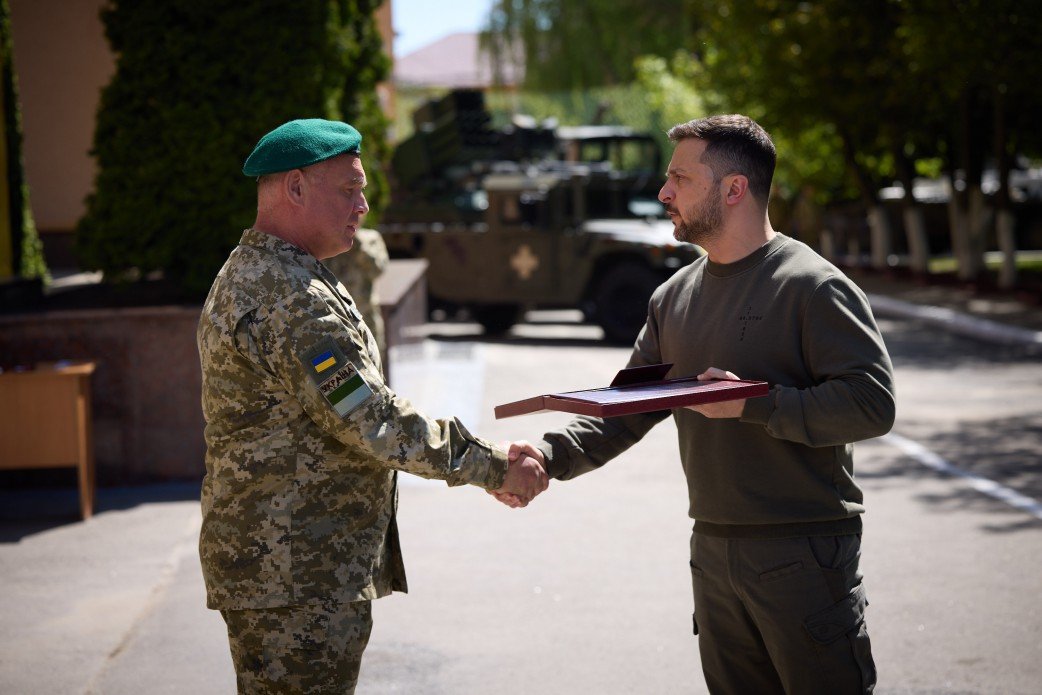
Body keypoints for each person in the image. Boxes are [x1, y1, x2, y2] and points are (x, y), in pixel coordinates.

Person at [503, 115, 895, 694]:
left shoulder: (813, 286)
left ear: (733, 189)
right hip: (712, 550)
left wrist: (752, 404)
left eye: (680, 179)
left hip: (804, 550)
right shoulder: (673, 296)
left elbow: (871, 403)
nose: (664, 193)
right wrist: (547, 456)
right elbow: (630, 406)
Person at [197, 118, 548, 694]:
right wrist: (491, 464)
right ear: (295, 187)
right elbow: (373, 420)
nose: (362, 206)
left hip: (287, 567)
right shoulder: (290, 296)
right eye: (349, 190)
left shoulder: (265, 273)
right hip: (296, 573)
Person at [324, 227, 389, 360]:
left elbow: (378, 270)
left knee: (374, 358)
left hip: (366, 312)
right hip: (338, 314)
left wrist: (361, 246)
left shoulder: (371, 238)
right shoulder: (332, 239)